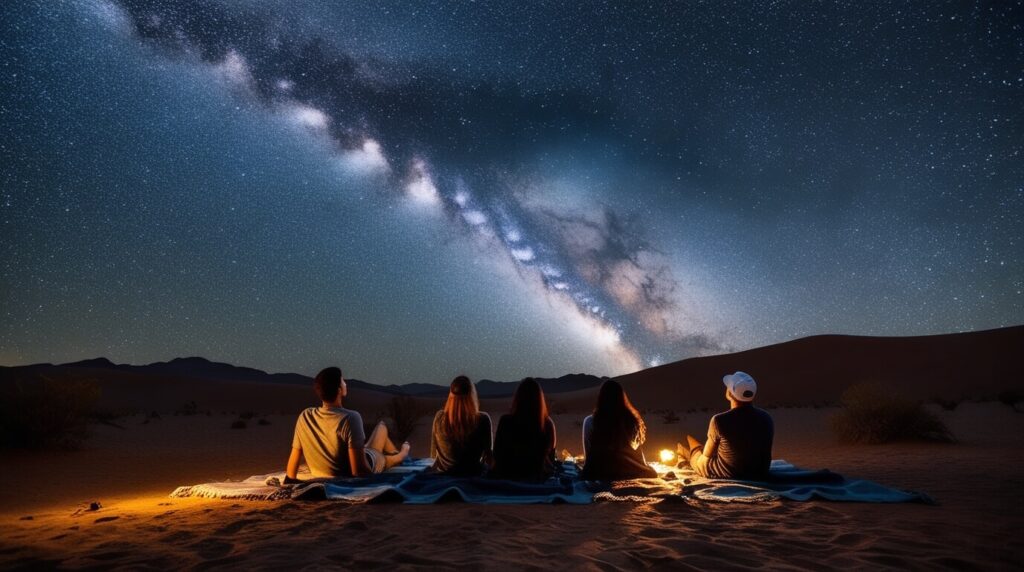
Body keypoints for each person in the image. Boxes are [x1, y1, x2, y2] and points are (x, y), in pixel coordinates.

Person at [285, 366, 410, 481]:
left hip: (350, 458)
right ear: (339, 390)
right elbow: (359, 471)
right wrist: (382, 467)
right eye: (343, 381)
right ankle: (401, 455)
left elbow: (292, 465)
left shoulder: (305, 415)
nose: (346, 383)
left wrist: (290, 480)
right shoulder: (350, 417)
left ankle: (393, 452)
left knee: (381, 427)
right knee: (385, 456)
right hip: (361, 465)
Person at [679, 371, 774, 479]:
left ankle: (686, 452)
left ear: (729, 393)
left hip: (730, 473)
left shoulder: (719, 420)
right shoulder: (766, 417)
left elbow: (707, 454)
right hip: (760, 472)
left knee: (697, 455)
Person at [579, 379, 657, 479]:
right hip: (629, 471)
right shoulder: (632, 421)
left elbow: (588, 454)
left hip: (601, 472)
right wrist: (645, 466)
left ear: (601, 397)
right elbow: (637, 452)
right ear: (622, 397)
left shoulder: (590, 421)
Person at [490, 378, 557, 481]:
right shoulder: (547, 424)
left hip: (506, 476)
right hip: (535, 479)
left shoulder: (505, 421)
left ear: (518, 398)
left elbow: (497, 454)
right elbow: (551, 458)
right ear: (539, 399)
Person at [429, 375, 492, 476]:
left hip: (444, 477)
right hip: (472, 477)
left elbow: (433, 455)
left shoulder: (439, 418)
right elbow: (488, 456)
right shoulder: (482, 419)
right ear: (472, 396)